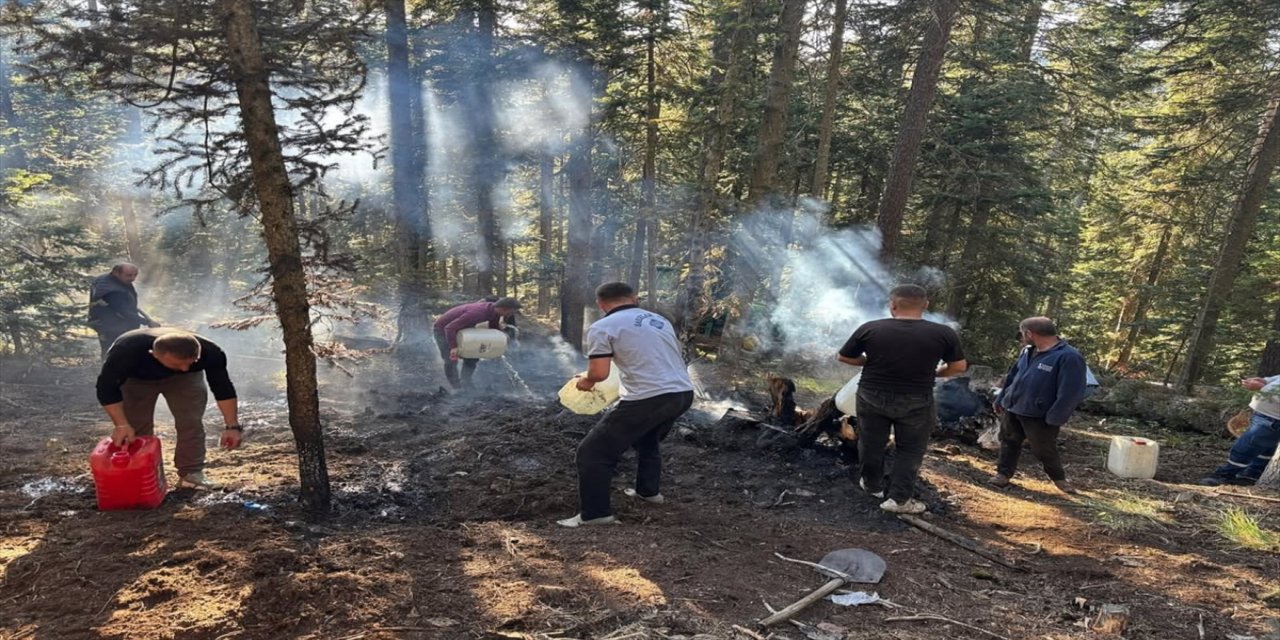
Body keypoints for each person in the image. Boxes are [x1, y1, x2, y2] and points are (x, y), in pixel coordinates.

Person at [558, 282, 695, 527]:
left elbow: (599, 373)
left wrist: (585, 381)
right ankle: (648, 492)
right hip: (682, 393)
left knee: (592, 452)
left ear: (601, 304)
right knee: (647, 439)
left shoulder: (603, 326)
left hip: (650, 396)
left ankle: (596, 515)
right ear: (634, 298)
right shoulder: (658, 320)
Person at [837, 284, 967, 514]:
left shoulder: (871, 328)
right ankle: (899, 500)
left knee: (870, 442)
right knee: (910, 449)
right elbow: (958, 367)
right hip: (917, 399)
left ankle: (872, 485)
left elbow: (844, 357)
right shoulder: (943, 333)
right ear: (925, 305)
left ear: (893, 305)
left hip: (871, 395)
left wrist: (869, 362)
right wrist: (936, 373)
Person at [96, 329, 242, 489]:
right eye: (177, 363)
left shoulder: (210, 352)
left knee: (191, 422)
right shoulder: (126, 352)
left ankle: (191, 474)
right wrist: (121, 424)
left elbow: (222, 387)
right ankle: (141, 474)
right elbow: (106, 387)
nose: (184, 367)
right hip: (136, 380)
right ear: (154, 354)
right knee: (135, 429)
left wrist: (232, 427)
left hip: (185, 381)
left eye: (191, 362)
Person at [989, 317, 1088, 494]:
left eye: (1022, 333)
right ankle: (1002, 474)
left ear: (1029, 333)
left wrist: (1056, 417)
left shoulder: (1068, 356)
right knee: (1008, 441)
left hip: (1040, 414)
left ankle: (1059, 479)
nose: (1021, 337)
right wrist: (1002, 398)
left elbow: (1072, 391)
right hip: (1014, 406)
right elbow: (1012, 377)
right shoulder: (1027, 351)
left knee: (1044, 449)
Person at [1199, 375, 1280, 486]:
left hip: (1272, 420)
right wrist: (1265, 381)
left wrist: (1262, 388)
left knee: (1245, 447)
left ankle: (1225, 475)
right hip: (1266, 417)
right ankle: (1251, 475)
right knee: (1265, 449)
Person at [432, 297, 521, 389]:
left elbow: (493, 329)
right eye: (511, 312)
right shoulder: (478, 313)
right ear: (504, 309)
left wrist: (498, 344)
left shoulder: (494, 312)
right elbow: (449, 328)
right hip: (442, 331)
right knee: (451, 359)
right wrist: (454, 347)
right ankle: (456, 387)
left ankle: (466, 383)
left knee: (473, 356)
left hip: (463, 329)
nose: (511, 315)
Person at [88, 263, 160, 357]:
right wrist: (147, 322)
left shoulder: (107, 279)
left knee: (112, 352)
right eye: (129, 275)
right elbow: (124, 312)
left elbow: (124, 307)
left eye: (135, 275)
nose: (133, 278)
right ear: (116, 273)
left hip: (106, 323)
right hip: (112, 326)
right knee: (114, 353)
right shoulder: (112, 291)